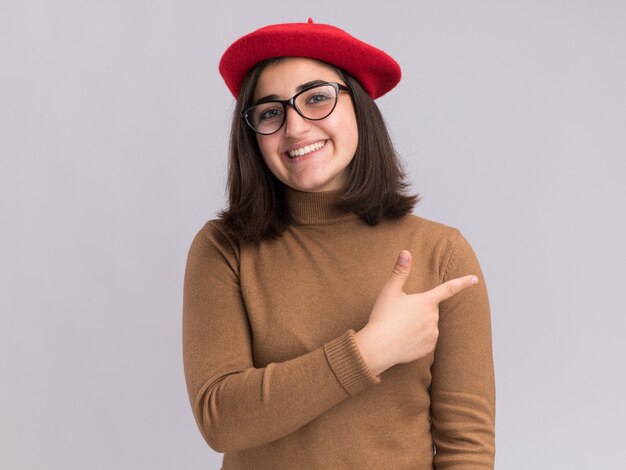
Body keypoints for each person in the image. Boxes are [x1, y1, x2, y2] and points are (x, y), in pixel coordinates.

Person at [182, 19, 495, 469]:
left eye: (316, 98)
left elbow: (466, 447)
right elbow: (220, 419)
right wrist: (371, 349)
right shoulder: (223, 249)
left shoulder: (441, 253)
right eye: (270, 112)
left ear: (359, 108)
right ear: (252, 136)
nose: (295, 127)